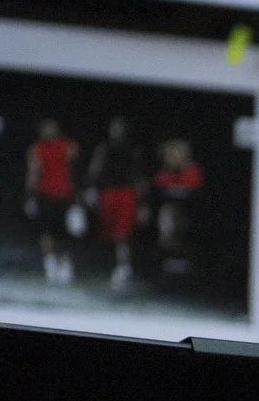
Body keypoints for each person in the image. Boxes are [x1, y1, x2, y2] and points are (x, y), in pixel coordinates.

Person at [85, 116, 148, 289]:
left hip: (127, 194)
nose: (117, 131)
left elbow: (139, 177)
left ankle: (124, 267)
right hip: (107, 193)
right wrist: (91, 189)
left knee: (123, 233)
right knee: (108, 233)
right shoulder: (103, 149)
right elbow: (95, 171)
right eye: (115, 127)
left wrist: (142, 204)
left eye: (120, 128)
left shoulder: (134, 150)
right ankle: (112, 267)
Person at [24, 118, 80, 285]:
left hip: (66, 197)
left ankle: (65, 267)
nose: (46, 131)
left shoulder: (69, 146)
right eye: (44, 128)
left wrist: (79, 197)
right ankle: (50, 269)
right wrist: (30, 196)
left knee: (67, 234)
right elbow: (33, 172)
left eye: (50, 127)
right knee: (47, 233)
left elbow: (75, 171)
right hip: (45, 196)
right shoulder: (37, 148)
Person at [150, 136, 203, 276]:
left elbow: (194, 189)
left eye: (177, 153)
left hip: (190, 210)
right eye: (170, 154)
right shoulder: (165, 172)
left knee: (182, 229)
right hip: (170, 209)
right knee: (168, 223)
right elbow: (160, 187)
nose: (173, 156)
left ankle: (184, 258)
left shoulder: (192, 170)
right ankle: (170, 257)